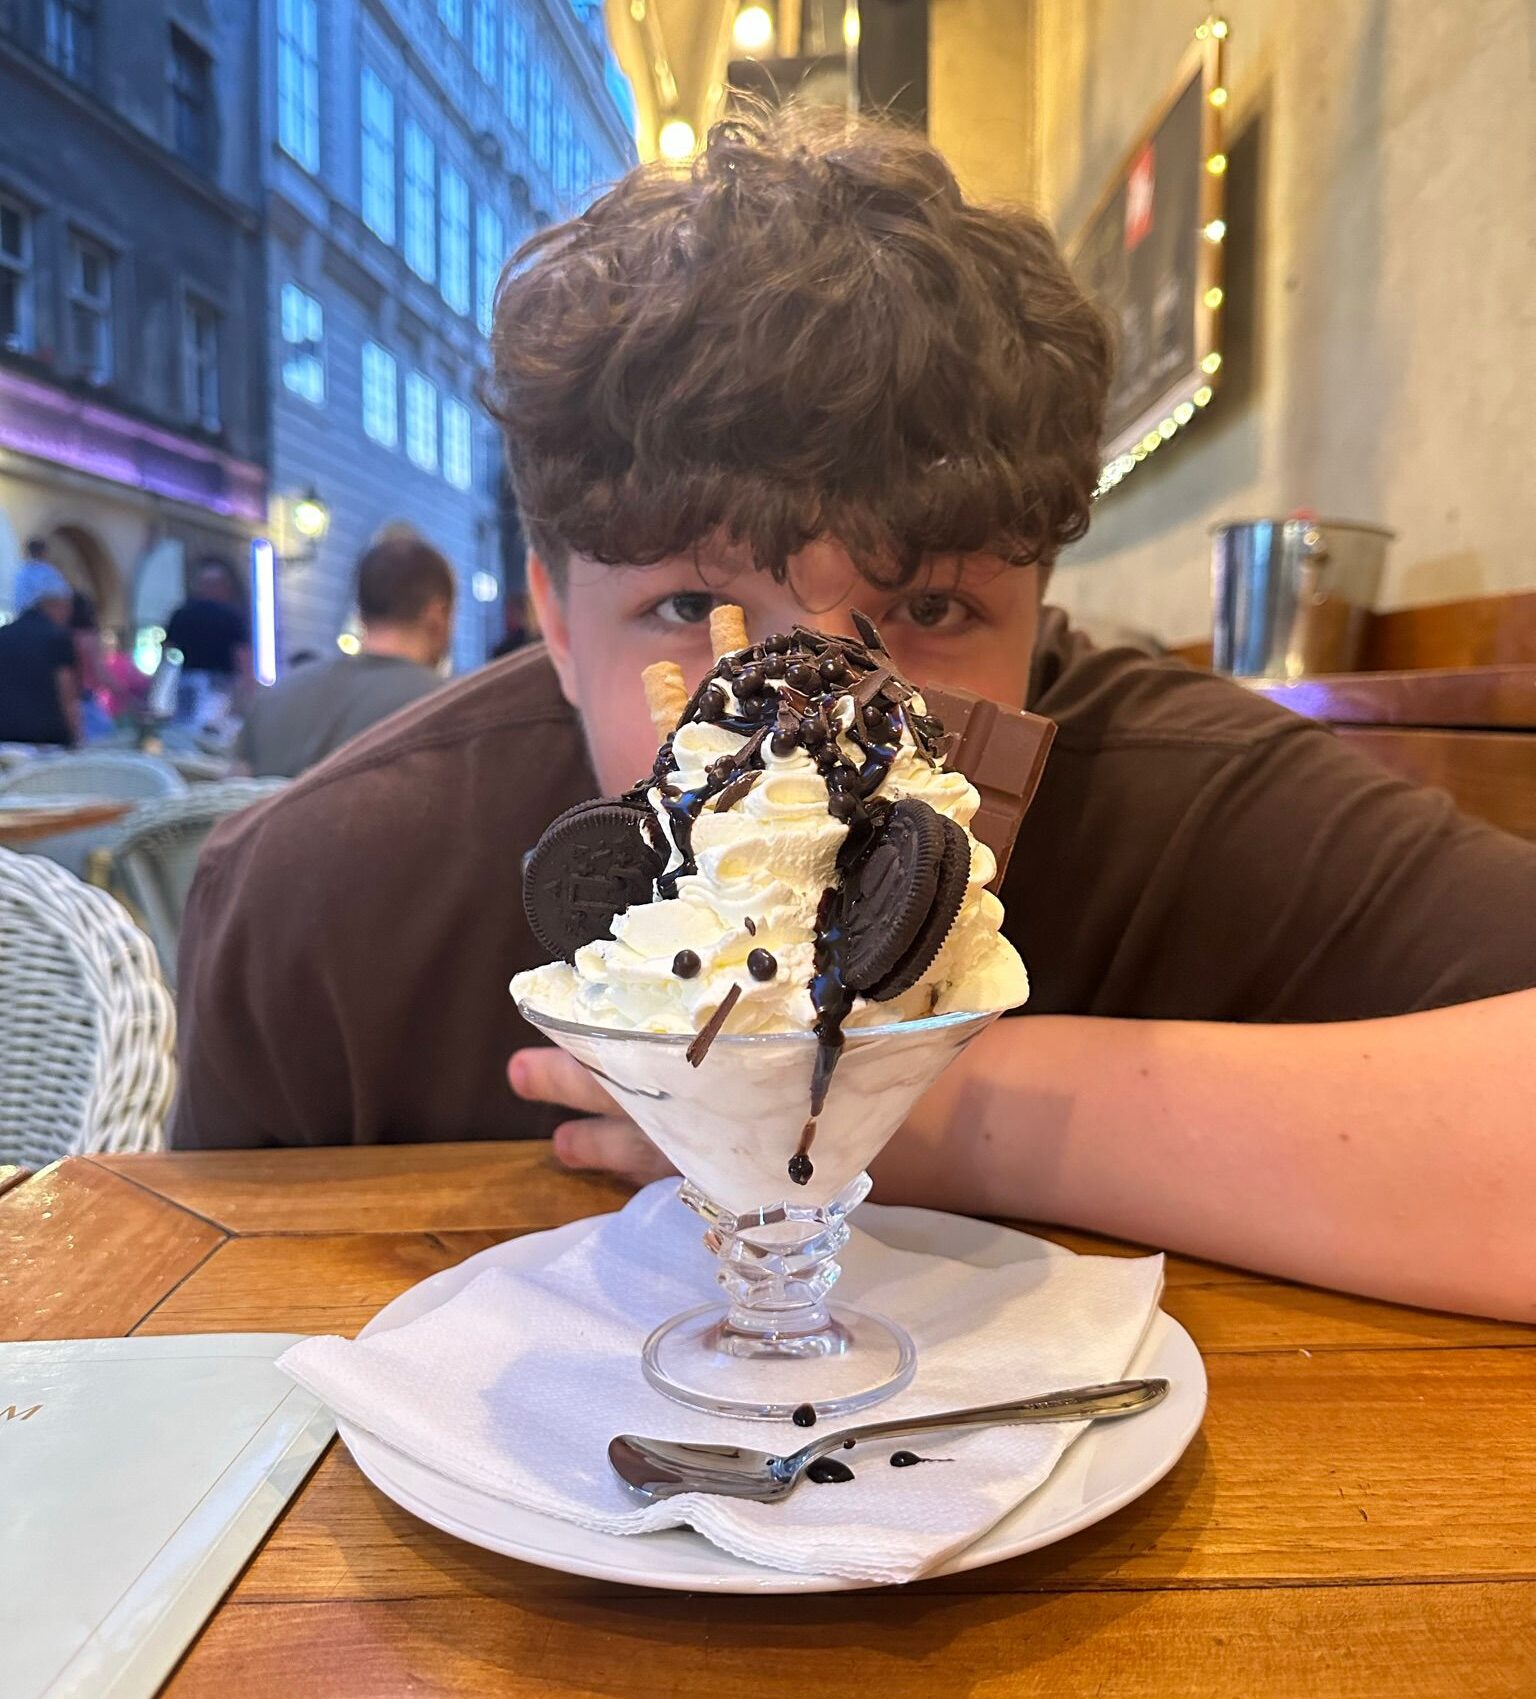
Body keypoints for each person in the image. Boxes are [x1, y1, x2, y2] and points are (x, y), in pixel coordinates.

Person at [173, 107, 1536, 1321]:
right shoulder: (318, 902)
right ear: (549, 605)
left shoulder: (1185, 806)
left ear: (1041, 606)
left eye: (932, 608)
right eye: (695, 607)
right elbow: (189, 1367)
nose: (805, 734)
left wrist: (910, 1106)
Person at [236, 537, 456, 779]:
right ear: (438, 613)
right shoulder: (449, 706)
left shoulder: (274, 697)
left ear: (361, 609)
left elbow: (231, 797)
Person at [0, 558, 81, 746]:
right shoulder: (56, 637)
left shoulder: (3, 635)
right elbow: (66, 693)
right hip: (48, 741)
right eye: (65, 604)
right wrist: (77, 738)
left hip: (5, 740)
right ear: (50, 603)